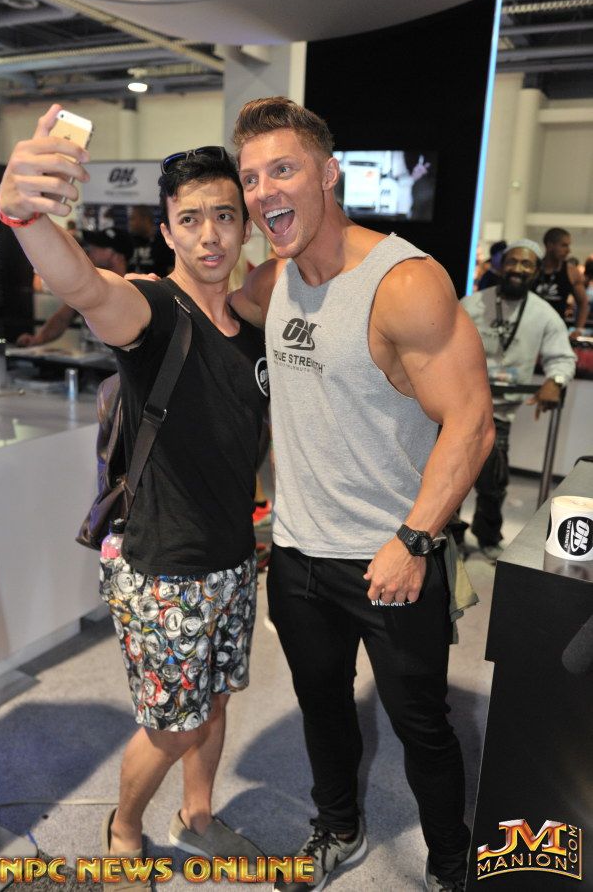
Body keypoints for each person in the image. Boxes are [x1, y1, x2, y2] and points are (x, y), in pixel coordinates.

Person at [229, 97, 494, 892]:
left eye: (282, 169)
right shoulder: (271, 280)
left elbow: (471, 423)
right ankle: (339, 827)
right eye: (251, 177)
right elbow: (218, 309)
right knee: (321, 708)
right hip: (297, 555)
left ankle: (449, 862)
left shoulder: (402, 283)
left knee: (421, 726)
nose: (265, 191)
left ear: (328, 173)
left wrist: (413, 540)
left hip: (390, 555)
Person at [0, 105, 267, 882]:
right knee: (173, 726)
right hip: (162, 564)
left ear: (243, 225)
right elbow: (83, 284)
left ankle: (198, 816)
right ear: (169, 230)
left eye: (224, 216)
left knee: (217, 702)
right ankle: (123, 827)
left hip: (232, 557)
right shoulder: (151, 307)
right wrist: (22, 215)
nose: (210, 235)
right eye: (192, 219)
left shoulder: (248, 323)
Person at [461, 239, 576, 562]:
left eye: (527, 264)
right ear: (501, 266)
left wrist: (555, 381)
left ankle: (487, 535)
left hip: (499, 413)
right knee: (448, 475)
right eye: (512, 261)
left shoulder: (544, 314)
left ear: (536, 272)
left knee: (493, 481)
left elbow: (562, 357)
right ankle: (449, 537)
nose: (518, 269)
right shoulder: (472, 304)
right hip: (459, 407)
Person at [16, 227, 133, 346]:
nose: (91, 249)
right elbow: (62, 318)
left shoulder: (133, 289)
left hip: (120, 356)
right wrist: (37, 339)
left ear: (117, 255)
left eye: (100, 246)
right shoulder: (91, 286)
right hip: (94, 355)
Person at [534, 227, 588, 339]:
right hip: (530, 329)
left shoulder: (571, 272)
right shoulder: (533, 269)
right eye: (564, 245)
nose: (568, 250)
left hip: (556, 333)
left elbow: (583, 302)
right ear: (550, 245)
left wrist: (578, 329)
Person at [128, 203, 175, 277]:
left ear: (145, 219)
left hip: (157, 283)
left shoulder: (164, 242)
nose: (130, 223)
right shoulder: (129, 241)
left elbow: (171, 270)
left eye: (133, 218)